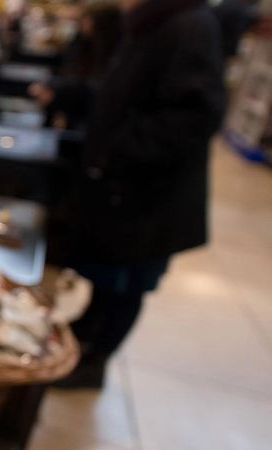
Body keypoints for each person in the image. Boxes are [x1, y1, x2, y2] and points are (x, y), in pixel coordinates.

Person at [57, 0, 227, 388]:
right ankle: (86, 331)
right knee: (108, 273)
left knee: (128, 282)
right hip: (127, 185)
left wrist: (117, 147)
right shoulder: (150, 23)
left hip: (151, 194)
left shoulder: (189, 26)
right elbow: (120, 92)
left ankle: (95, 362)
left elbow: (195, 116)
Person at [28, 2, 124, 130]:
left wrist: (59, 96)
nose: (82, 24)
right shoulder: (85, 44)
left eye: (87, 20)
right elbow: (72, 71)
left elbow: (96, 91)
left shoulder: (111, 52)